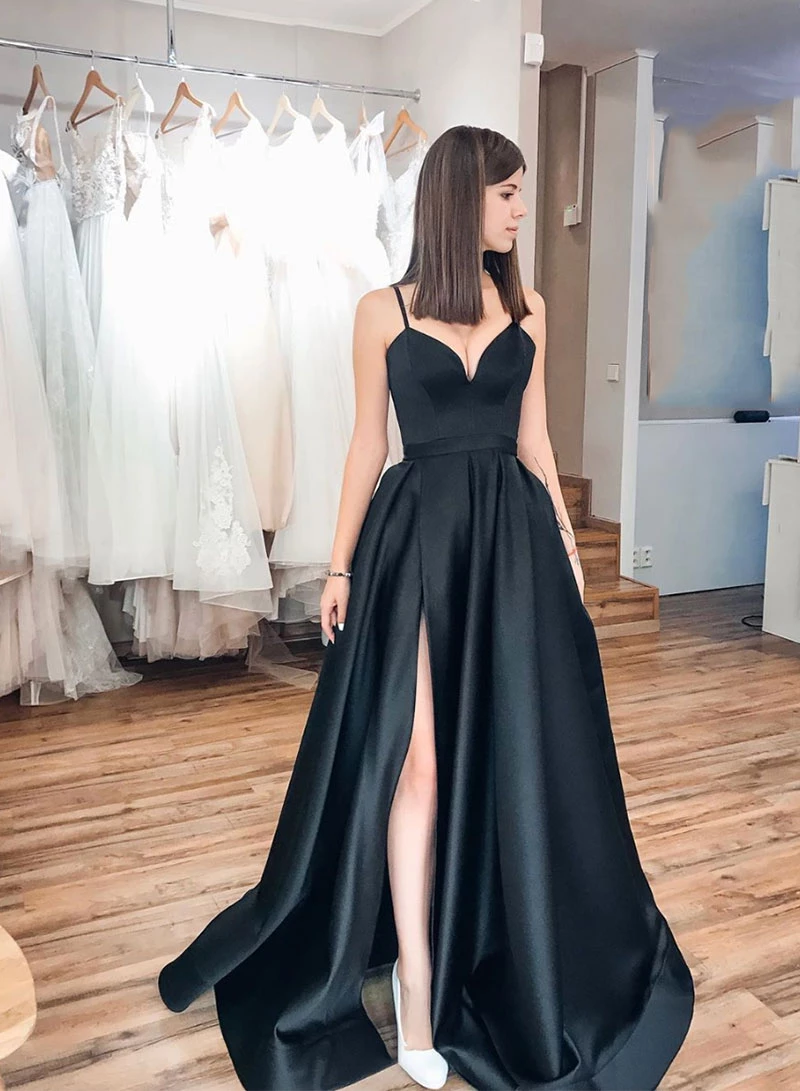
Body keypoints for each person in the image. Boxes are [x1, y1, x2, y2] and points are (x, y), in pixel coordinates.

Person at [157, 125, 694, 1091]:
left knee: (510, 752)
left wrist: (569, 552)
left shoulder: (529, 306)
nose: (522, 210)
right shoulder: (382, 311)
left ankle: (497, 944)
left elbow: (535, 442)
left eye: (522, 193)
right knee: (417, 763)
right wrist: (338, 566)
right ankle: (414, 980)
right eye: (508, 193)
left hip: (513, 549)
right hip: (415, 543)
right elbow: (368, 443)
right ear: (458, 196)